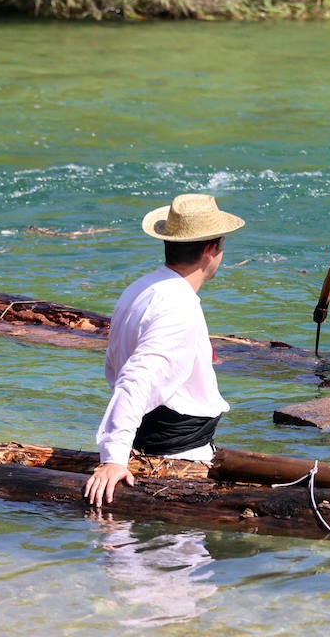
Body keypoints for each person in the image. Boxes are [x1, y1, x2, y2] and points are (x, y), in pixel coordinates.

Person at [84, 193, 245, 508]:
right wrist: (114, 457)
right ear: (212, 249)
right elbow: (136, 376)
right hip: (177, 456)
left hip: (152, 440)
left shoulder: (141, 287)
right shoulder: (178, 306)